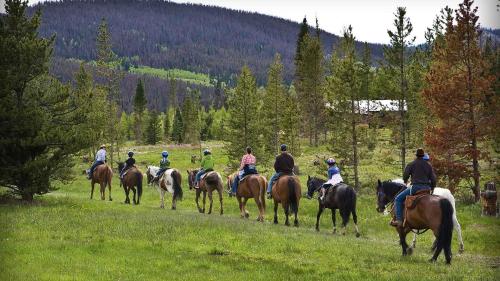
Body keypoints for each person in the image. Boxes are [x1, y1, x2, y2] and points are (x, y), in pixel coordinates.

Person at [391, 148, 437, 227]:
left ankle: (399, 220)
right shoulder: (428, 166)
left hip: (415, 187)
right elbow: (433, 179)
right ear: (423, 156)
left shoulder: (412, 164)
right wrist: (432, 188)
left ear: (416, 155)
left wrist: (405, 181)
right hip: (426, 189)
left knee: (398, 199)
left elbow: (405, 175)